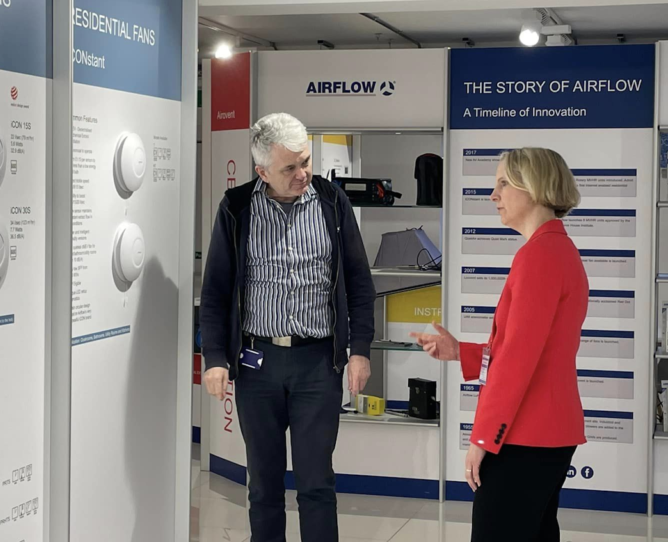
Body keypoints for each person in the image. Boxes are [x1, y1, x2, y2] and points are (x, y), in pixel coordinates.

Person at [200, 112, 376, 542]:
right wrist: (215, 358)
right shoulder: (237, 208)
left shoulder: (332, 203)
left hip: (318, 364)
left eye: (306, 162)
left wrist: (359, 349)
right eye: (289, 168)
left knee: (317, 483)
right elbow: (216, 290)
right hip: (257, 366)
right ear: (262, 172)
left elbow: (358, 281)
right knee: (263, 485)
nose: (302, 174)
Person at [413, 148, 588, 542]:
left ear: (535, 187)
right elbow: (530, 352)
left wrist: (483, 439)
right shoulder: (557, 250)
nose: (494, 195)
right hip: (547, 433)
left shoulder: (539, 256)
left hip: (526, 435)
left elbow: (516, 364)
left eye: (504, 183)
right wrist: (461, 352)